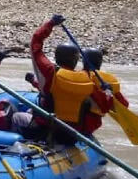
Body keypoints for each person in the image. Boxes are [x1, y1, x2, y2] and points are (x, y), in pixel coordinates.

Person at [22, 14, 112, 143]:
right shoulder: (88, 80)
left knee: (15, 117)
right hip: (73, 136)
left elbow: (35, 44)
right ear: (76, 60)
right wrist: (108, 92)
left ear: (56, 58)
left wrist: (51, 23)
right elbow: (105, 106)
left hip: (47, 129)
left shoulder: (50, 72)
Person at [83, 47, 130, 113]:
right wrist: (109, 92)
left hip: (72, 120)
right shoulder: (107, 80)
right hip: (93, 121)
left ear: (83, 61)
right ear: (100, 62)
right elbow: (124, 106)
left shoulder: (74, 76)